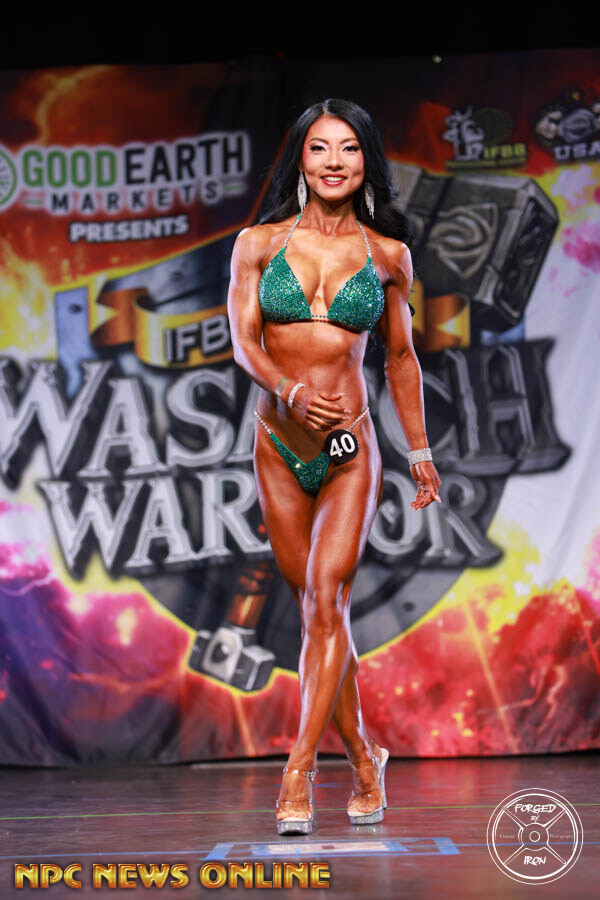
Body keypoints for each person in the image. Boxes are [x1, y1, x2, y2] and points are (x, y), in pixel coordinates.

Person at [227, 99, 441, 835]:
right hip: (279, 446)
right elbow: (243, 342)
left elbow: (402, 360)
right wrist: (288, 391)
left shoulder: (387, 255)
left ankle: (298, 772)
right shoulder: (258, 244)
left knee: (327, 603)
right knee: (318, 613)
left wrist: (420, 452)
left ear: (364, 161)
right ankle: (364, 760)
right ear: (302, 158)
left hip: (351, 449)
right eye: (320, 148)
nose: (334, 162)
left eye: (348, 149)